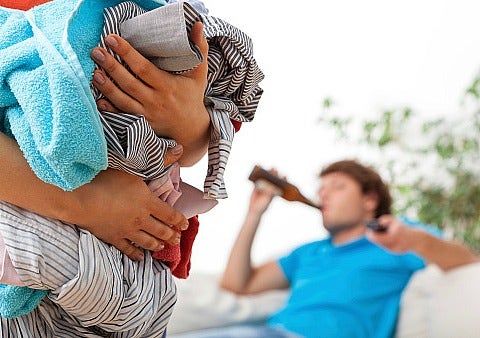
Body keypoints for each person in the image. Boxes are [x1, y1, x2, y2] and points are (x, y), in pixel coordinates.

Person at [0, 0, 263, 336]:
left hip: (130, 268)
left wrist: (185, 119)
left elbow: (197, 144)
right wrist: (84, 202)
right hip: (60, 244)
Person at [177, 160, 478, 338]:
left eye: (337, 186)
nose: (324, 194)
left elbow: (466, 265)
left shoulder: (400, 236)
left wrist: (416, 240)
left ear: (369, 200)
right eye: (321, 188)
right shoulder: (309, 252)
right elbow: (236, 285)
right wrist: (255, 213)